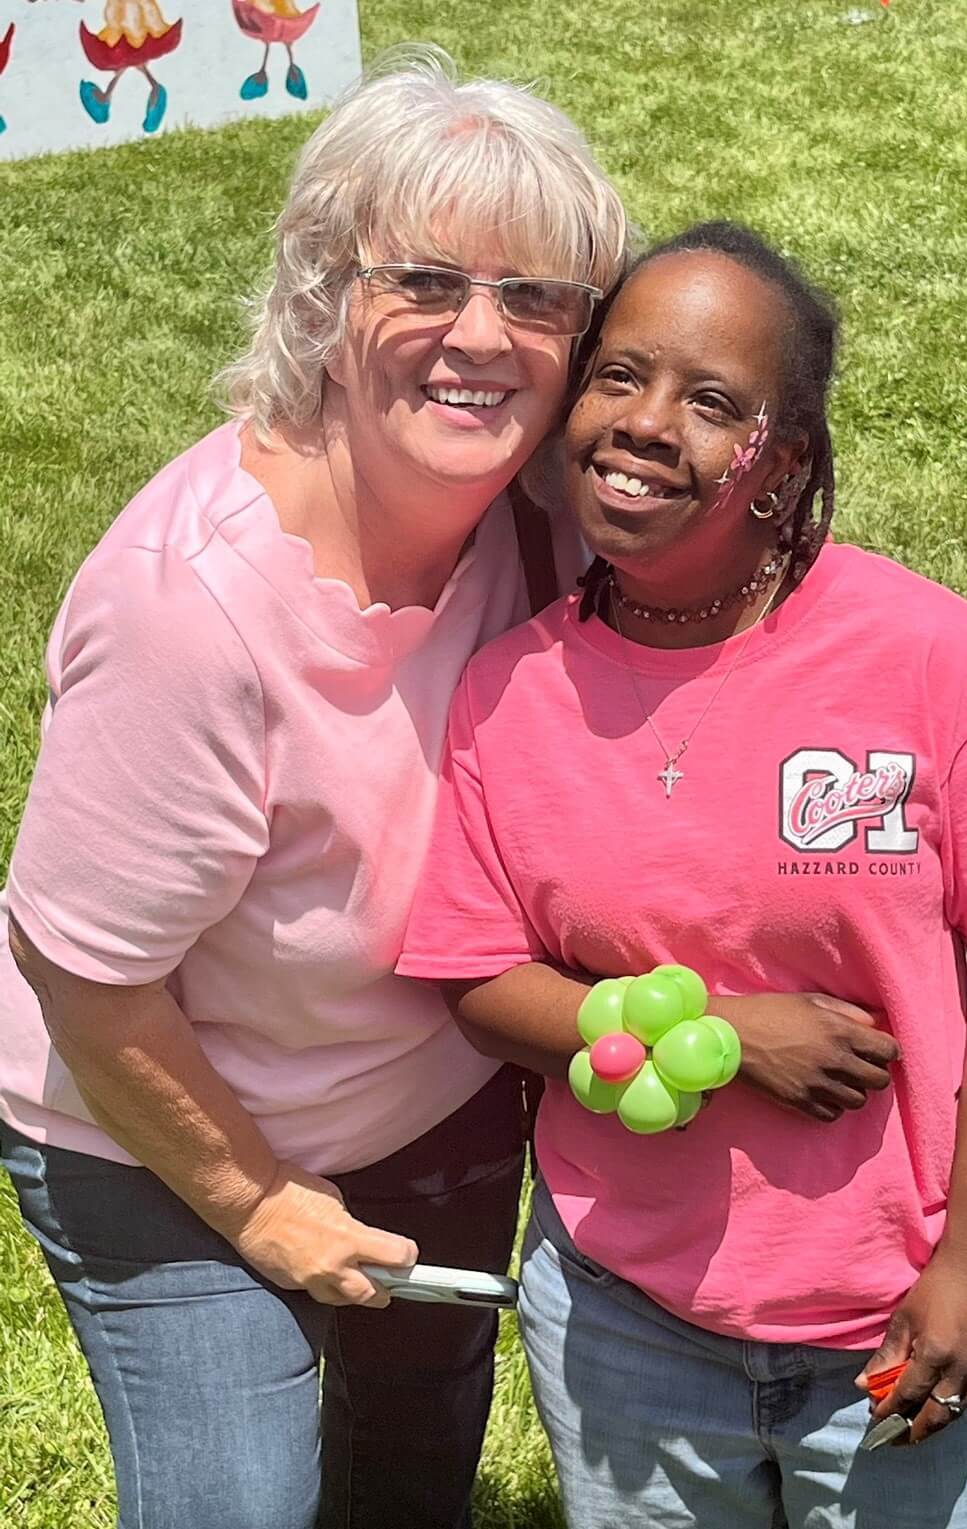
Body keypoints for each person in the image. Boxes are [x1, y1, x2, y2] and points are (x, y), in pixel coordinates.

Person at [0, 46, 625, 1529]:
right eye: (424, 282)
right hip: (152, 1121)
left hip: (431, 1089)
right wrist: (261, 1204)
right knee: (239, 1500)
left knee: (416, 1458)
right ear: (322, 300)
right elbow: (84, 973)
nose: (481, 336)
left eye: (535, 297)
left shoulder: (541, 523)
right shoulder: (186, 609)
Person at [398, 221, 967, 1528]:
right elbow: (472, 973)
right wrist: (717, 1033)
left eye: (710, 401)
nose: (647, 422)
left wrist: (966, 1261)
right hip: (628, 1326)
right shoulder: (508, 692)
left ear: (777, 464)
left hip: (901, 1305)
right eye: (618, 374)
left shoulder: (928, 660)